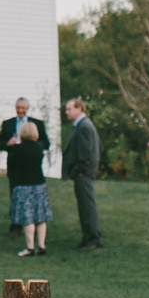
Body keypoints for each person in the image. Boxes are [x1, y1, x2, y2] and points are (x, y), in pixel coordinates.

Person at [0, 98, 48, 238]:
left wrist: (32, 145)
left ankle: (34, 224)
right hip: (15, 167)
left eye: (23, 108)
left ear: (27, 108)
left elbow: (45, 143)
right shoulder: (8, 124)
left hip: (32, 167)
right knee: (15, 196)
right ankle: (16, 226)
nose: (20, 111)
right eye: (18, 108)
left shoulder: (37, 123)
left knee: (34, 198)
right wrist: (8, 143)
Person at [63, 99, 103, 250]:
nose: (66, 112)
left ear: (79, 109)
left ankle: (93, 239)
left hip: (83, 173)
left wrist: (78, 171)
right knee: (84, 206)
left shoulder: (84, 126)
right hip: (82, 172)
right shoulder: (82, 125)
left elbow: (85, 154)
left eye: (69, 109)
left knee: (87, 206)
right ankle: (87, 238)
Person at [9, 120, 51, 256]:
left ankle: (30, 247)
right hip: (39, 184)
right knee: (40, 217)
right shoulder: (39, 148)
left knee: (28, 217)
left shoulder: (16, 149)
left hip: (23, 185)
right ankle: (42, 246)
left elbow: (12, 166)